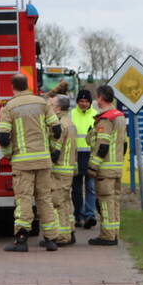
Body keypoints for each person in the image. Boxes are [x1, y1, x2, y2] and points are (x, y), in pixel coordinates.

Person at [0, 73, 62, 252]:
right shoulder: (42, 103)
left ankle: (21, 240)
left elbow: (3, 137)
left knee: (24, 200)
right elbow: (56, 129)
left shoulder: (9, 107)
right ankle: (50, 240)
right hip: (43, 160)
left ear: (13, 87)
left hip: (22, 163)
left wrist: (10, 154)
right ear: (27, 85)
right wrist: (48, 149)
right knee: (45, 199)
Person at [87, 85, 127, 246]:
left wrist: (92, 167)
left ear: (101, 98)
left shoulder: (106, 119)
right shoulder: (119, 116)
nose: (96, 100)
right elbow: (124, 144)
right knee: (114, 201)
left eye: (97, 97)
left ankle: (107, 236)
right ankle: (114, 233)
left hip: (105, 169)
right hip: (116, 167)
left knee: (105, 202)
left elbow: (102, 145)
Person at [49, 94, 78, 246]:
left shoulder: (60, 125)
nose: (50, 106)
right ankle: (70, 230)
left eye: (52, 104)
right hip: (68, 169)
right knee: (66, 202)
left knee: (57, 203)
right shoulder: (71, 123)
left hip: (59, 170)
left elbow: (55, 151)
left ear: (58, 108)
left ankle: (62, 236)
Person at [70, 89, 97, 229]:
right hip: (75, 156)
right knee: (76, 189)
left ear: (90, 102)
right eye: (81, 101)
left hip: (91, 156)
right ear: (77, 102)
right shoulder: (71, 114)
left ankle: (89, 215)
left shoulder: (96, 115)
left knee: (91, 187)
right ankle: (78, 215)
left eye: (86, 101)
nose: (84, 103)